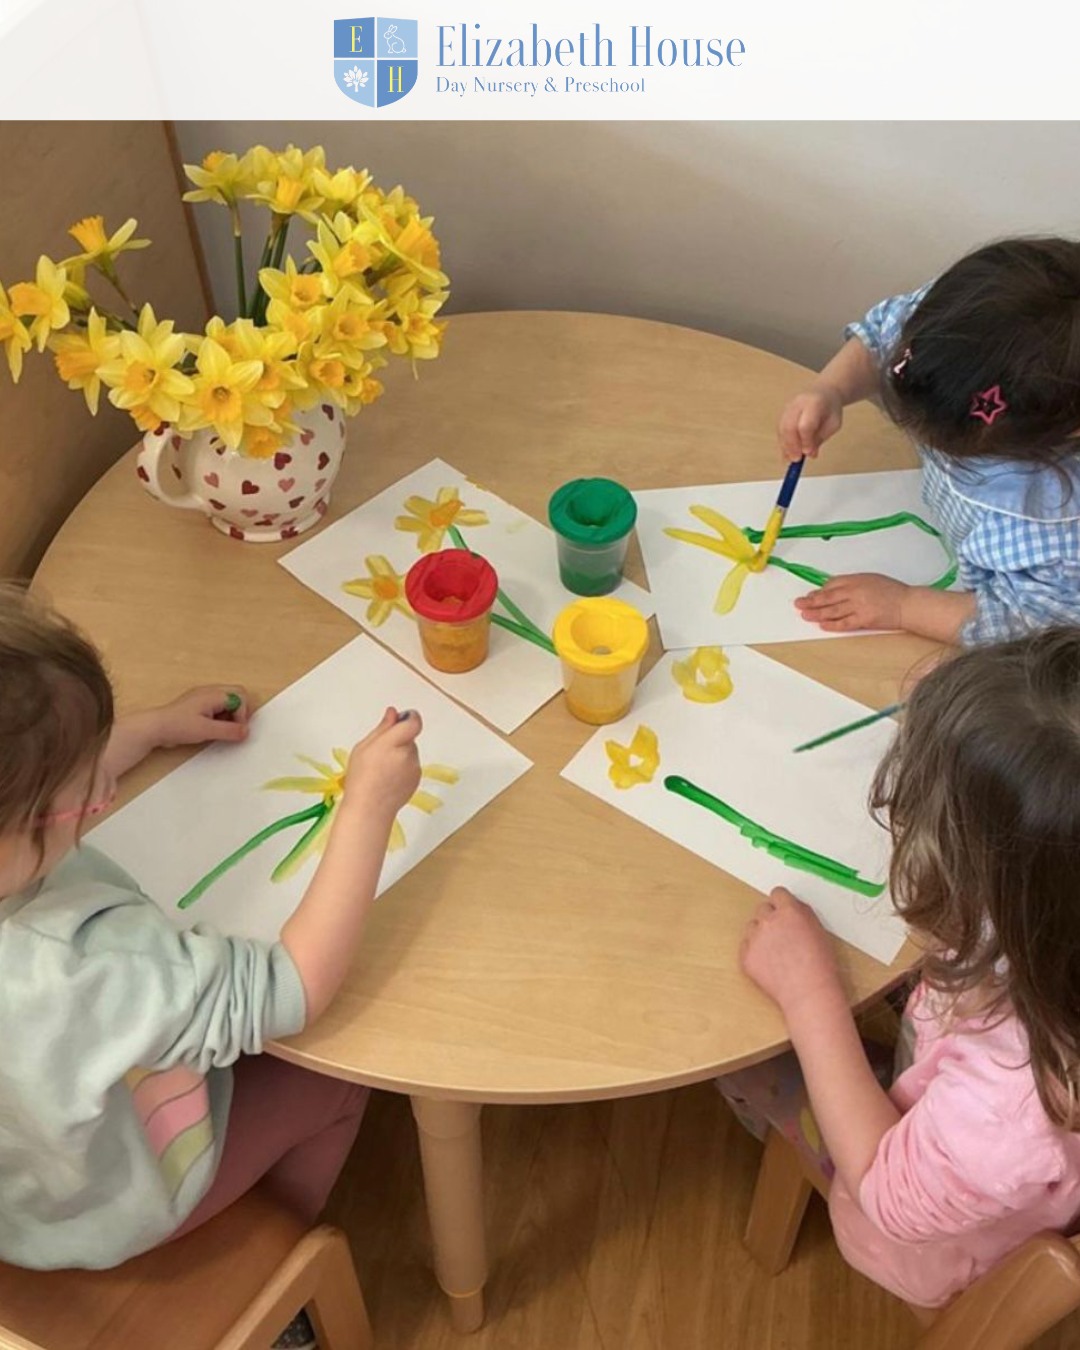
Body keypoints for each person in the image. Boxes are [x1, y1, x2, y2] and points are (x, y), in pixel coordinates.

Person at [0, 584, 420, 1343]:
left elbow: (32, 780)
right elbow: (292, 988)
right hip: (98, 1211)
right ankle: (272, 1258)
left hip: (20, 1182)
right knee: (336, 1077)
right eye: (83, 791)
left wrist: (152, 729)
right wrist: (367, 808)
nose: (102, 793)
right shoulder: (87, 966)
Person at [719, 626, 1080, 1308]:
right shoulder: (1055, 940)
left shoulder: (1010, 1111)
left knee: (736, 1049)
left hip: (908, 1221)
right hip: (974, 1128)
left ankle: (764, 1120)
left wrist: (809, 994)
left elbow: (885, 1191)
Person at [778, 237, 1080, 645]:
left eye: (955, 450)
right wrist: (830, 388)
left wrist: (904, 606)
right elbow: (882, 334)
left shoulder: (1057, 534)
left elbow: (1029, 622)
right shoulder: (963, 322)